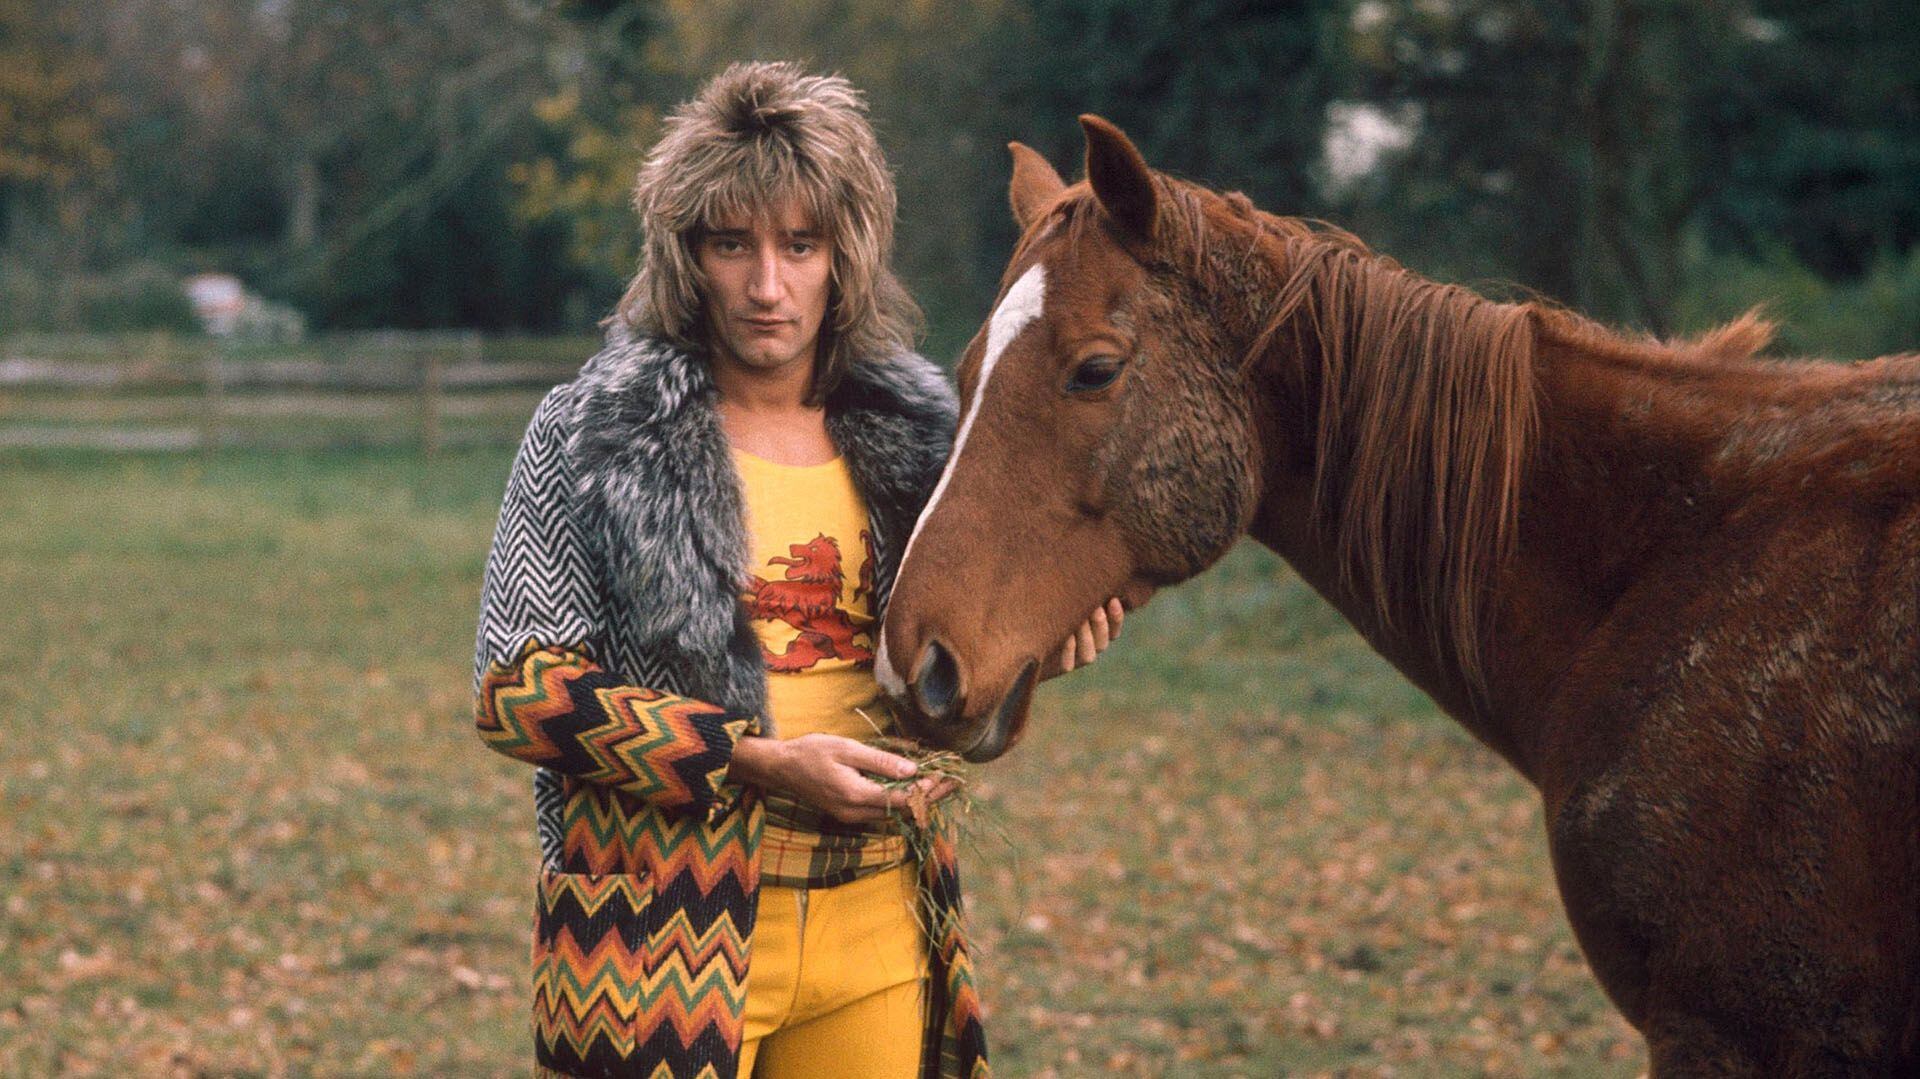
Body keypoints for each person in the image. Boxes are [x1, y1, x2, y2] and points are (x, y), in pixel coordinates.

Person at [472, 62, 1121, 1078]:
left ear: (845, 254)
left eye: (800, 245)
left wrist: (1026, 662)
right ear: (687, 255)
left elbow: (950, 715)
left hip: (880, 930)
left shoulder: (928, 438)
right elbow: (517, 694)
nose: (767, 285)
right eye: (732, 244)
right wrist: (753, 760)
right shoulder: (592, 429)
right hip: (654, 939)